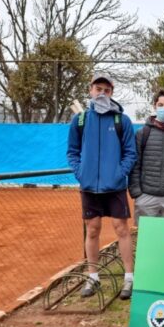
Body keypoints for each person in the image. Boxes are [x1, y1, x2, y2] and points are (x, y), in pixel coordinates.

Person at [67, 73, 137, 300]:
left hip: (115, 187)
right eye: (98, 89)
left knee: (122, 229)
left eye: (106, 90)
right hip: (89, 187)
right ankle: (93, 277)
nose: (102, 93)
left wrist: (119, 173)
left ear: (111, 93)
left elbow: (130, 153)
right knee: (92, 229)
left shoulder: (121, 121)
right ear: (90, 90)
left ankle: (129, 278)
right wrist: (81, 173)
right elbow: (72, 152)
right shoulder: (79, 120)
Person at [128, 88, 164, 224]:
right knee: (145, 236)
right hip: (146, 197)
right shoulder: (142, 133)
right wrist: (137, 193)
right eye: (161, 105)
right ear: (154, 106)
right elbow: (135, 164)